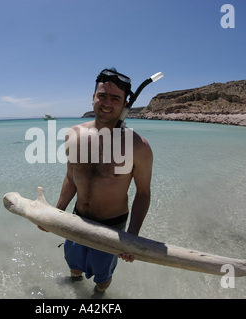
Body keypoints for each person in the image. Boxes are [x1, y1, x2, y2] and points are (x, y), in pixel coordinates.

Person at [40, 68, 153, 293]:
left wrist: (132, 237)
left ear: (124, 105)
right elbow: (71, 178)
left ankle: (99, 295)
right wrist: (56, 213)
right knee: (73, 263)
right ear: (93, 98)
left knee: (102, 276)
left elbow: (143, 193)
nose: (107, 103)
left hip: (112, 228)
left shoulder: (138, 146)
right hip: (76, 219)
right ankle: (75, 285)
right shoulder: (73, 134)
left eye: (115, 98)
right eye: (102, 95)